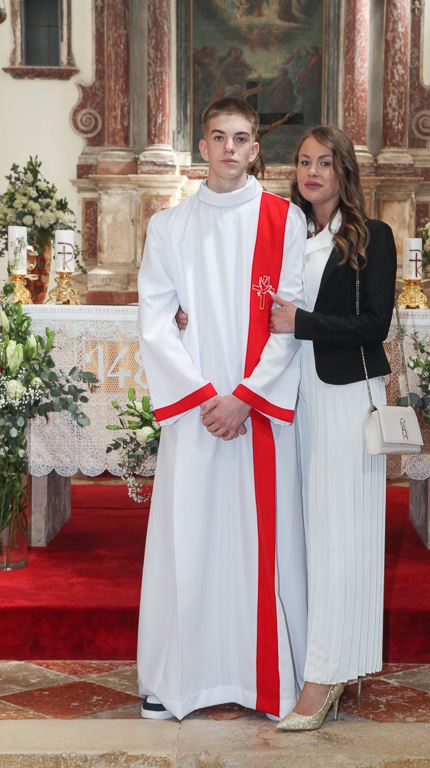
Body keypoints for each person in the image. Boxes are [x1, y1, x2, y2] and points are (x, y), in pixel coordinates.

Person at [136, 96, 308, 721]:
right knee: (187, 540)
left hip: (258, 412)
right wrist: (207, 399)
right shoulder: (169, 227)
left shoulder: (285, 220)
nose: (229, 148)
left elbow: (290, 319)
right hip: (197, 415)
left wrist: (245, 399)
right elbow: (156, 321)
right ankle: (175, 679)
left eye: (240, 138)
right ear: (202, 147)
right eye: (218, 137)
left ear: (255, 149)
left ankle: (270, 679)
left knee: (265, 546)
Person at [269, 126, 397, 731]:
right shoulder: (291, 236)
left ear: (344, 170)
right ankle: (331, 664)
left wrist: (304, 323)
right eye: (303, 162)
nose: (312, 172)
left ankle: (322, 680)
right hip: (299, 399)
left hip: (346, 398)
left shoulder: (372, 237)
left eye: (324, 162)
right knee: (311, 537)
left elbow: (374, 325)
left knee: (338, 538)